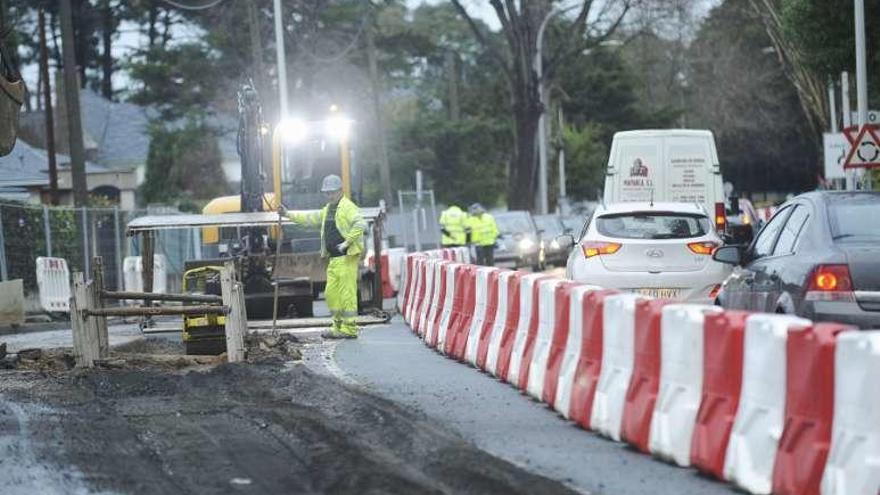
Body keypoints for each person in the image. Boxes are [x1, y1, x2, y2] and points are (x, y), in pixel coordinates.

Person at [282, 174, 365, 339]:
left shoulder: (347, 207)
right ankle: (338, 326)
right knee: (331, 294)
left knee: (346, 293)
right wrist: (287, 214)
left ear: (341, 191)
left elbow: (360, 224)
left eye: (332, 192)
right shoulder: (328, 210)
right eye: (327, 193)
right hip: (333, 260)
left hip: (346, 258)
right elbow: (309, 218)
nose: (329, 195)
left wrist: (347, 242)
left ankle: (349, 328)